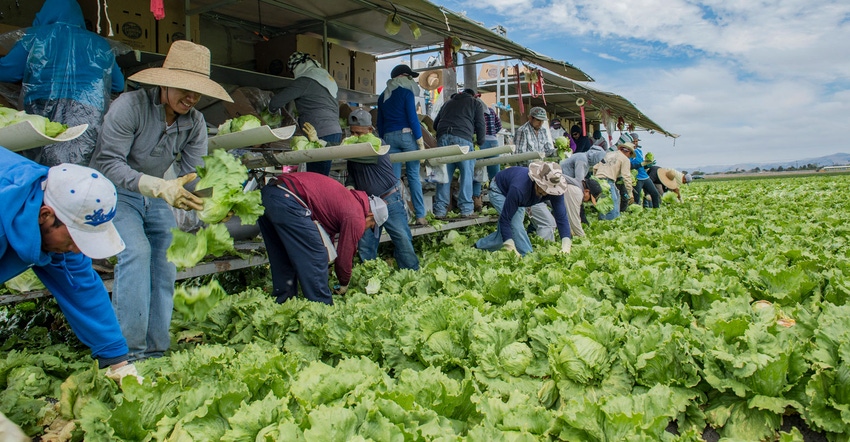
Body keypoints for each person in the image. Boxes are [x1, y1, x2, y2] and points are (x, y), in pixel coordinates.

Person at [89, 41, 233, 362]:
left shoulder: (194, 122)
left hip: (155, 196)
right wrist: (155, 185)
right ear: (164, 82)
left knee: (167, 260)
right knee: (136, 254)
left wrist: (209, 199)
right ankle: (127, 353)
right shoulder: (130, 107)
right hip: (116, 191)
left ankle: (156, 350)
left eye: (197, 92)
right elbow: (107, 162)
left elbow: (192, 172)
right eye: (184, 88)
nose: (191, 98)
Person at [0, 147, 142, 385]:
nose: (78, 249)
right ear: (45, 215)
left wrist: (118, 363)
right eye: (76, 240)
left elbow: (81, 287)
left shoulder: (55, 205)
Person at [0, 0, 124, 167]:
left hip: (42, 109)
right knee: (77, 168)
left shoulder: (36, 36)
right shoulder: (100, 43)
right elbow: (118, 84)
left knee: (41, 167)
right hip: (87, 112)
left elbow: (8, 71)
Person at [258, 172, 388, 304]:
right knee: (317, 255)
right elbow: (345, 254)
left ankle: (284, 304)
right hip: (288, 199)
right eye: (371, 225)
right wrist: (344, 282)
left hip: (270, 194)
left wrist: (327, 265)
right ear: (370, 214)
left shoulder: (348, 200)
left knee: (283, 256)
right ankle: (322, 309)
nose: (367, 229)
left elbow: (324, 234)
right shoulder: (356, 215)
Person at [345, 108, 419, 270]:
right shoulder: (352, 150)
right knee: (366, 245)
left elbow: (358, 155)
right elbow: (352, 173)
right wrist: (350, 186)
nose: (355, 137)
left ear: (371, 130)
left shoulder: (378, 145)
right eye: (353, 133)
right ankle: (370, 276)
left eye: (359, 133)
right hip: (368, 203)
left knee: (402, 239)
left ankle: (412, 273)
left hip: (389, 199)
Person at [475, 161, 572, 256]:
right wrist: (510, 245)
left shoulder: (555, 190)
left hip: (520, 197)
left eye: (548, 190)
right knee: (515, 225)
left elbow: (561, 216)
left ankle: (478, 247)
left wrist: (566, 243)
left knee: (508, 232)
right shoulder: (519, 188)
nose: (545, 193)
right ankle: (528, 256)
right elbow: (505, 219)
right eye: (543, 189)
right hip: (499, 191)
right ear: (536, 181)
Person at [268, 52, 342, 176]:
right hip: (334, 131)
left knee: (317, 177)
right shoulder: (326, 79)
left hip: (320, 133)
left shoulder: (306, 81)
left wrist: (271, 112)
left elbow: (276, 102)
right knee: (320, 174)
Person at [376, 64, 427, 226]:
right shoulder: (406, 93)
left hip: (389, 138)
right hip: (407, 136)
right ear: (403, 77)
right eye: (409, 77)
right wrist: (420, 141)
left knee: (394, 181)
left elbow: (380, 124)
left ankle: (397, 218)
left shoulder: (383, 96)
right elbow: (413, 118)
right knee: (413, 176)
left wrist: (383, 141)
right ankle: (420, 216)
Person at [432, 88, 486, 219]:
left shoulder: (447, 103)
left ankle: (439, 211)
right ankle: (466, 210)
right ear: (473, 96)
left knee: (444, 174)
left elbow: (435, 124)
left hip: (443, 138)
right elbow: (480, 124)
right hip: (462, 139)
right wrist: (480, 141)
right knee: (467, 173)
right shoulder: (475, 103)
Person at [592, 139, 635, 220]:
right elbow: (627, 177)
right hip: (608, 181)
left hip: (598, 179)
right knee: (612, 203)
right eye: (630, 154)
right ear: (628, 152)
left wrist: (596, 180)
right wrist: (630, 193)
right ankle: (611, 223)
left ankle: (603, 221)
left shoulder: (609, 154)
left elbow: (595, 167)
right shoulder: (625, 159)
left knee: (604, 202)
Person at [472, 102, 502, 212]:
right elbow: (499, 126)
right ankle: (498, 199)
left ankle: (477, 201)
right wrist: (492, 134)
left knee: (477, 173)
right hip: (494, 143)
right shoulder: (491, 111)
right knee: (495, 175)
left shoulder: (475, 112)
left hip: (480, 143)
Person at [629, 132, 661, 208]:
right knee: (637, 198)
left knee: (655, 193)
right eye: (634, 141)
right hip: (636, 179)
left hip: (645, 176)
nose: (635, 143)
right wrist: (640, 164)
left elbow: (642, 166)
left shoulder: (639, 151)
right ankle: (636, 214)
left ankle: (656, 210)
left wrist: (647, 165)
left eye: (636, 141)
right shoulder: (628, 153)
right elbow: (629, 166)